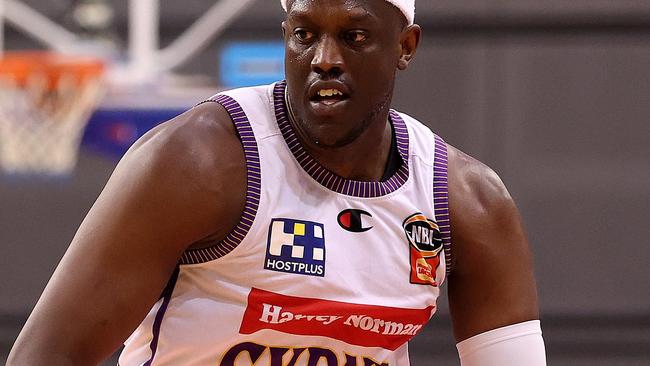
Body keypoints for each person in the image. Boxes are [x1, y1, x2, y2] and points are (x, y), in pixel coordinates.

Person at [8, 0, 546, 365]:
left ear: (406, 46)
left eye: (353, 37)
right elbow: (46, 355)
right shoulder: (199, 160)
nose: (325, 60)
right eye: (305, 35)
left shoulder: (467, 202)